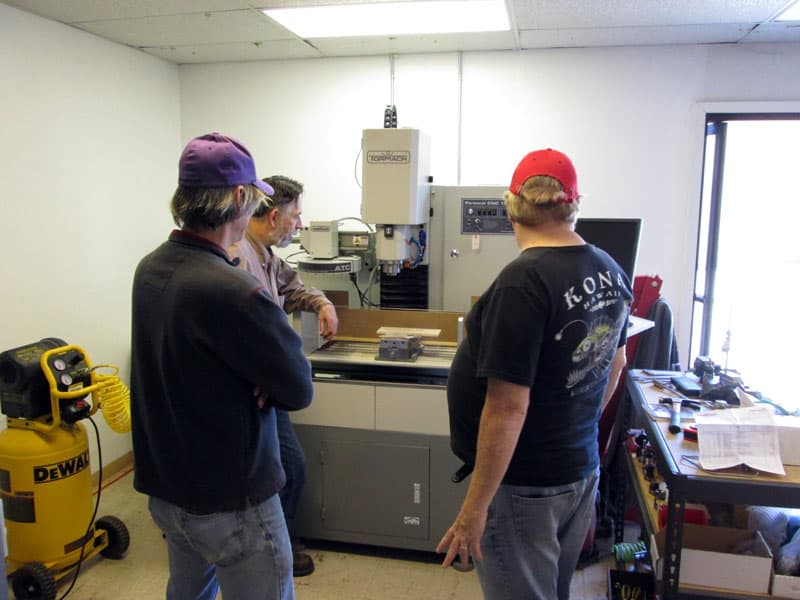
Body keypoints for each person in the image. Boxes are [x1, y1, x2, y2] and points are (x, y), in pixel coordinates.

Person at [436, 148, 632, 599]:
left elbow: (507, 407)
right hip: (577, 471)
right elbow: (614, 364)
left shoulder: (522, 283)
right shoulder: (611, 270)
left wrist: (474, 509)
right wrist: (570, 424)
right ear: (573, 206)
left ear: (511, 207)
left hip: (524, 486)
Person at [131, 132, 313, 600]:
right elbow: (298, 388)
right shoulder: (237, 291)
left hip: (170, 491)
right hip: (234, 502)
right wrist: (264, 379)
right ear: (239, 198)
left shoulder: (150, 269)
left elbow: (185, 363)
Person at [229, 175, 338, 577]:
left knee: (290, 467)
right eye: (296, 216)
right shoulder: (240, 259)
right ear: (274, 215)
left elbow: (294, 289)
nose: (299, 225)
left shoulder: (267, 256)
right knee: (287, 468)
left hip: (270, 387)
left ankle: (281, 544)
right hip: (256, 393)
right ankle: (275, 550)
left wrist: (322, 303)